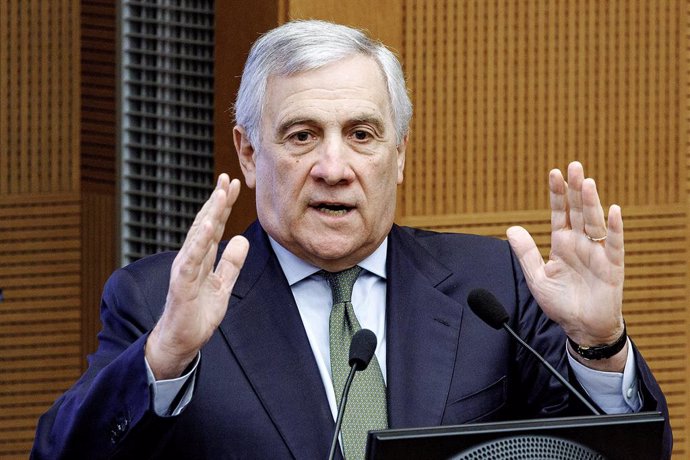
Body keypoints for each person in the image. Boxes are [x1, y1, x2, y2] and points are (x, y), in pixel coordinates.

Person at [32, 19, 671, 459]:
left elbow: (614, 452)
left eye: (362, 135)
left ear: (398, 156)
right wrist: (164, 359)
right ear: (249, 155)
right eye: (302, 135)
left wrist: (599, 347)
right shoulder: (158, 303)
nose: (334, 167)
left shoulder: (493, 286)